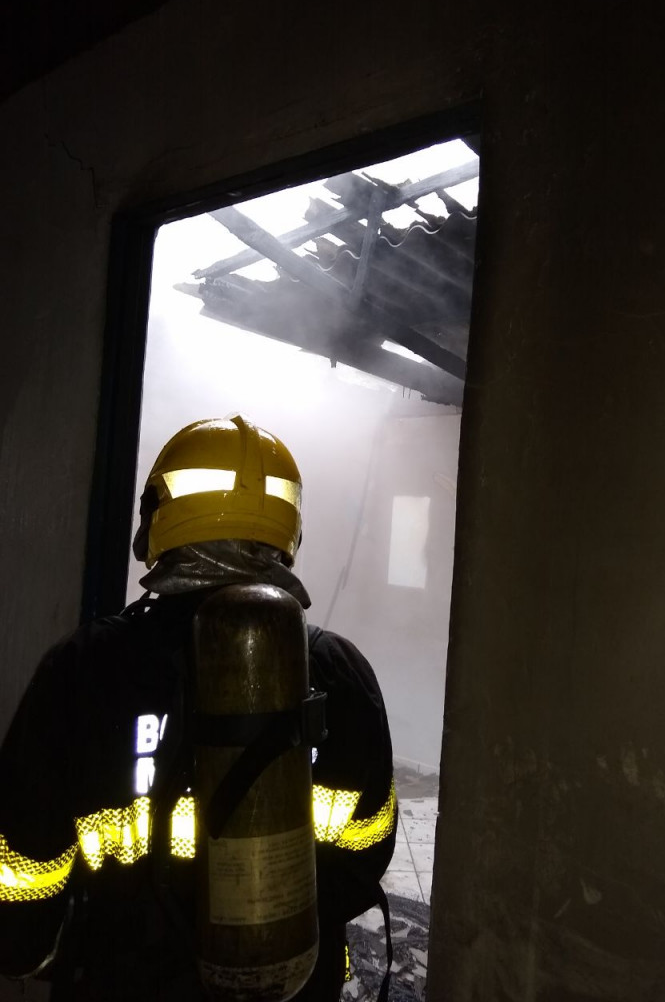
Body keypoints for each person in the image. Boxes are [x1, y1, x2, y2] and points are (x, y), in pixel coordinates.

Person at [0, 414, 396, 1001]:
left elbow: (25, 867)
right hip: (292, 985)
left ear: (159, 518)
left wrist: (30, 949)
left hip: (125, 986)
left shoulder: (82, 668)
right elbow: (367, 848)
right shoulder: (340, 669)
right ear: (287, 531)